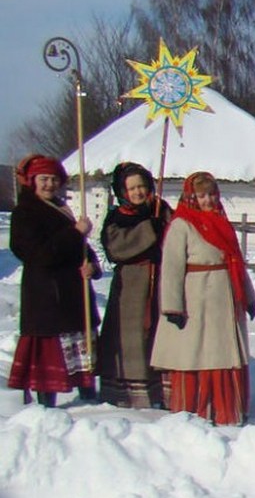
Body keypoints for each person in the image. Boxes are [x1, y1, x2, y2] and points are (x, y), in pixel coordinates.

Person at [151, 171, 255, 426]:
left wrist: (249, 297)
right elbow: (172, 268)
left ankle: (227, 410)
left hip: (225, 297)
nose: (208, 200)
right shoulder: (182, 224)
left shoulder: (221, 221)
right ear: (191, 197)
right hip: (197, 298)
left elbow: (236, 262)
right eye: (201, 195)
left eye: (211, 194)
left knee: (223, 355)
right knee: (199, 354)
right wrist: (173, 306)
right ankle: (198, 409)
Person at [7, 154, 101, 407]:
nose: (49, 184)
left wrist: (92, 265)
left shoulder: (61, 208)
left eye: (53, 179)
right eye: (43, 179)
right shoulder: (24, 213)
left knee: (82, 351)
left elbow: (81, 248)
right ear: (32, 181)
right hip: (46, 297)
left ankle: (89, 401)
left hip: (74, 295)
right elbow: (38, 254)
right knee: (50, 352)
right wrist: (74, 232)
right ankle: (46, 405)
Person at [97, 162, 172, 408]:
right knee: (131, 338)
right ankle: (129, 394)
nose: (138, 192)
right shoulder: (118, 217)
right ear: (123, 192)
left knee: (160, 334)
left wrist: (164, 222)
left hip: (160, 280)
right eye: (132, 188)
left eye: (142, 186)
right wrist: (149, 229)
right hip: (130, 285)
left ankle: (162, 390)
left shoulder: (161, 209)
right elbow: (116, 247)